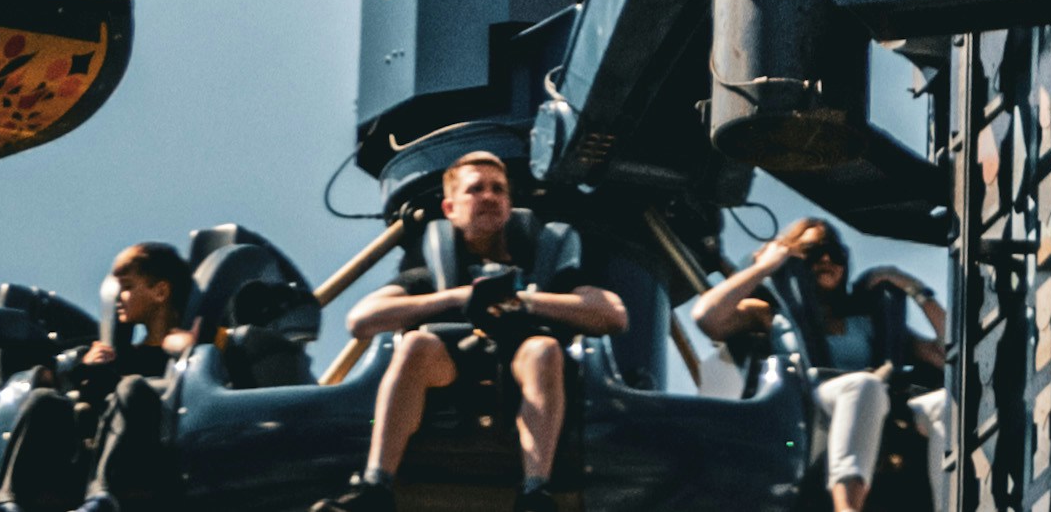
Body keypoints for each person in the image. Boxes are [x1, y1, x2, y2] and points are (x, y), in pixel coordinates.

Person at [338, 150, 629, 512]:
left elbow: (612, 315)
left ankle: (536, 490)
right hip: (452, 367)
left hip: (521, 363)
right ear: (450, 208)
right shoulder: (431, 264)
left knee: (543, 351)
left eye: (499, 189)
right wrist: (456, 298)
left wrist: (521, 302)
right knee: (415, 345)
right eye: (475, 189)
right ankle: (375, 486)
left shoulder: (542, 256)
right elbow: (362, 319)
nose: (489, 197)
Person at [692, 217, 947, 512]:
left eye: (834, 253)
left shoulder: (865, 324)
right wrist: (764, 267)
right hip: (807, 412)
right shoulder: (769, 314)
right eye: (813, 251)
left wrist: (911, 285)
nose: (826, 259)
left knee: (944, 405)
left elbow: (947, 351)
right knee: (863, 384)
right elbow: (707, 317)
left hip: (879, 412)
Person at [0, 240, 198, 511]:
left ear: (160, 292)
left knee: (132, 387)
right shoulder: (124, 357)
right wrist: (87, 371)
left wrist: (184, 345)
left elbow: (185, 380)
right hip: (92, 453)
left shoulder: (182, 348)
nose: (118, 298)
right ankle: (6, 500)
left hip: (147, 458)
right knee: (44, 400)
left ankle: (103, 498)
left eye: (127, 288)